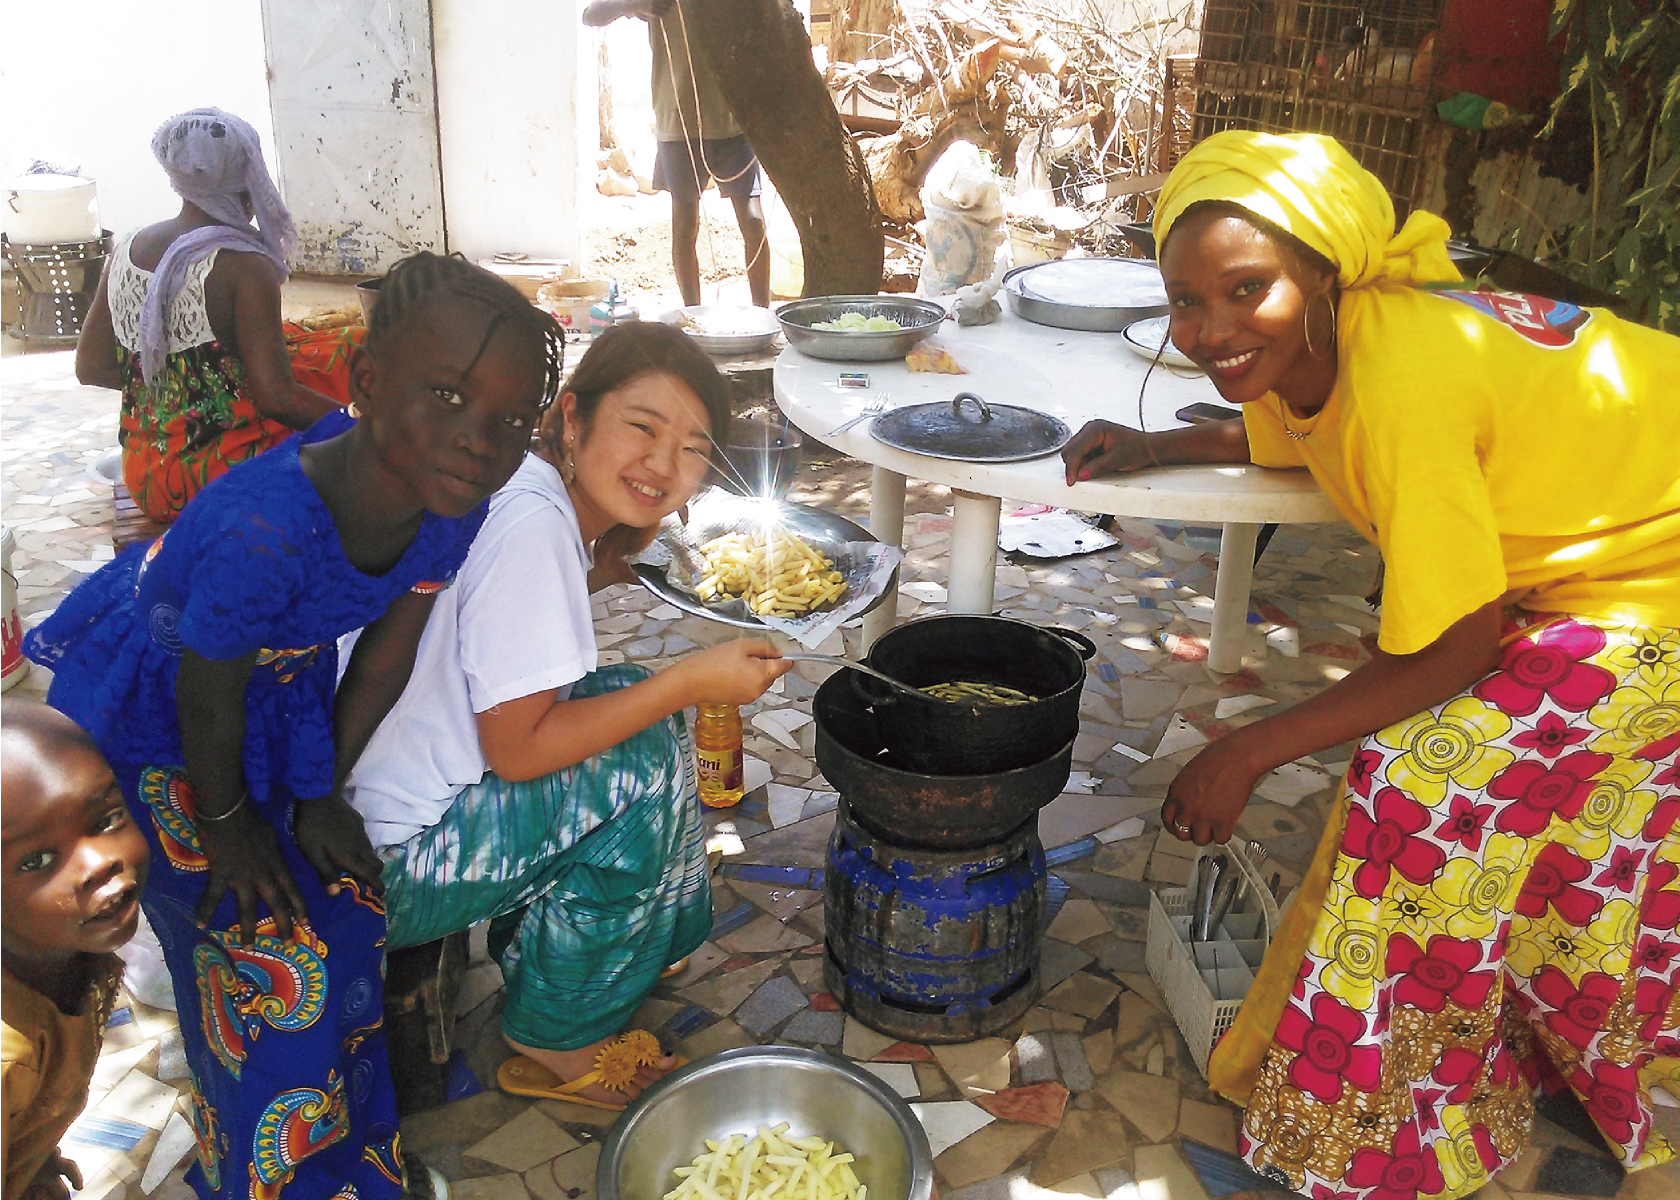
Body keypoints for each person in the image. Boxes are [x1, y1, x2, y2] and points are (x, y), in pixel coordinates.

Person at [1061, 131, 1680, 1200]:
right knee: (1478, 791)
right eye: (1184, 302)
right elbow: (1288, 423)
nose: (1209, 331)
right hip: (1585, 571)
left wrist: (1245, 750)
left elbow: (1456, 645)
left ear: (1322, 277)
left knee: (1418, 790)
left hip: (1652, 588)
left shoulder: (1406, 385)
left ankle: (1389, 1130)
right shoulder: (1333, 342)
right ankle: (1523, 1032)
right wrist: (1159, 443)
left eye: (1244, 290)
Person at [24, 252, 563, 1199]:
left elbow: (388, 654)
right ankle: (263, 1173)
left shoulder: (450, 506)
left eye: (512, 420)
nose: (479, 439)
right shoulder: (265, 529)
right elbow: (203, 691)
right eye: (446, 394)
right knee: (255, 950)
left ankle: (349, 1156)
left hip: (272, 695)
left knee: (343, 912)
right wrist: (230, 831)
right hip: (161, 717)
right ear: (364, 383)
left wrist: (322, 794)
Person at [343, 322, 791, 1110]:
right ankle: (558, 1035)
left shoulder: (527, 489)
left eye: (693, 447)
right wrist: (691, 678)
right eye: (642, 428)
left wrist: (602, 570)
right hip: (381, 870)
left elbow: (490, 639)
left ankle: (605, 948)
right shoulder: (535, 525)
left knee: (623, 694)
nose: (663, 465)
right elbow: (518, 751)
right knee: (640, 761)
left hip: (375, 814)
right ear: (574, 418)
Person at [76, 108, 363, 524]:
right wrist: (365, 430)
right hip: (215, 477)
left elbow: (92, 367)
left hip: (146, 473)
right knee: (350, 356)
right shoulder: (244, 267)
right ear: (248, 182)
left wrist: (180, 387)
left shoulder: (127, 249)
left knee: (318, 349)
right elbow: (276, 397)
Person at [2, 701, 150, 1200]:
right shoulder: (7, 1052)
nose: (99, 863)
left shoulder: (70, 952)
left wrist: (33, 1158)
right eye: (38, 860)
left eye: (107, 819)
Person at [582, 0, 772, 308]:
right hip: (677, 123)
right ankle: (693, 313)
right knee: (685, 226)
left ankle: (762, 314)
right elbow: (591, 15)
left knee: (752, 223)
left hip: (734, 121)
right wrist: (634, 4)